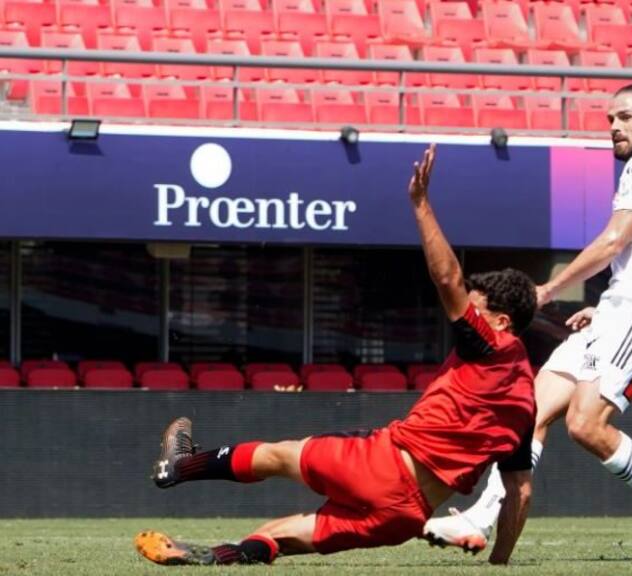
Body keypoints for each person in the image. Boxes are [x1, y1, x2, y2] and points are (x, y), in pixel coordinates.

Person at [134, 143, 539, 567]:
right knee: (281, 537)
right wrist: (500, 563)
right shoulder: (524, 404)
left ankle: (180, 467)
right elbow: (521, 490)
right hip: (405, 517)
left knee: (278, 454)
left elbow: (446, 277)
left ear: (502, 322)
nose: (467, 313)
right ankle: (219, 556)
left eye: (477, 308)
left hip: (380, 468)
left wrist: (420, 206)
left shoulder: (491, 347)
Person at [424, 72, 632, 563]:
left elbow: (616, 240)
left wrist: (550, 288)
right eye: (609, 119)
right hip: (623, 306)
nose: (613, 127)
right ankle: (480, 517)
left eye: (625, 117)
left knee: (585, 424)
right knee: (527, 412)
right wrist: (608, 303)